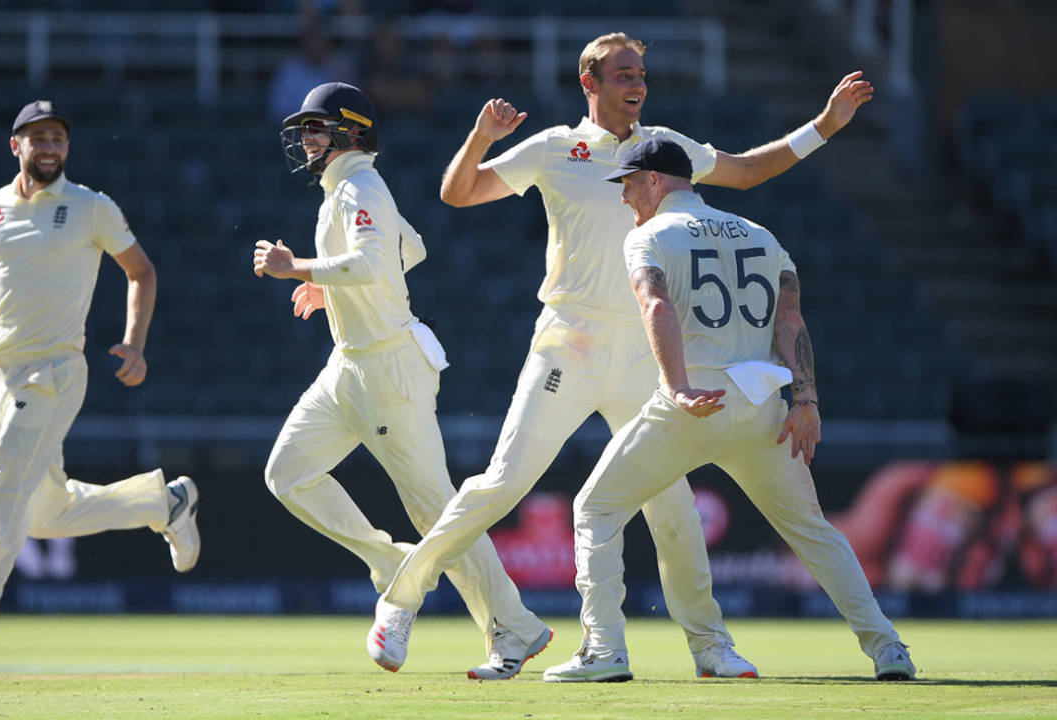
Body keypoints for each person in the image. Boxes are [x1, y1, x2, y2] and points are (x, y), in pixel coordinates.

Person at [371, 31, 874, 680]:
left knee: (674, 508)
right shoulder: (556, 147)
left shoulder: (666, 148)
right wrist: (481, 137)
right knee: (500, 484)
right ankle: (402, 600)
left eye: (641, 73)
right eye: (622, 74)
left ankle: (710, 648)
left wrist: (824, 126)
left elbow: (748, 169)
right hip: (569, 344)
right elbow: (459, 193)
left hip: (644, 355)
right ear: (591, 84)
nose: (637, 84)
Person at [550, 138, 915, 681]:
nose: (625, 197)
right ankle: (888, 648)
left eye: (628, 183)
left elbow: (656, 304)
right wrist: (807, 399)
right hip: (762, 406)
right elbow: (789, 321)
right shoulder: (762, 236)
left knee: (596, 510)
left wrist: (675, 387)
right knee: (813, 531)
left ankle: (604, 651)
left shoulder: (648, 236)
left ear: (654, 180)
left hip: (694, 406)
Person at [0, 101, 200, 681]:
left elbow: (142, 271)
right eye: (39, 138)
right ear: (17, 146)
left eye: (58, 137)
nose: (51, 147)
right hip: (4, 374)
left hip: (57, 372)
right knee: (44, 512)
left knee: (0, 494)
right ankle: (164, 502)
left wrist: (135, 342)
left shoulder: (91, 207)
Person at [255, 82, 551, 680]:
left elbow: (372, 261)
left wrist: (299, 270)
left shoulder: (359, 185)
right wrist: (327, 285)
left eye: (318, 127)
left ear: (353, 133)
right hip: (348, 366)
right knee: (287, 474)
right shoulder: (346, 189)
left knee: (438, 511)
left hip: (389, 367)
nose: (307, 138)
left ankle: (513, 626)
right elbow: (408, 249)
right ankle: (393, 565)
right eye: (307, 128)